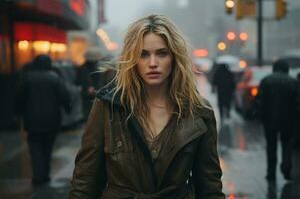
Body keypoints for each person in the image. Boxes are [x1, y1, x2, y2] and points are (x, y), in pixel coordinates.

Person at [69, 14, 225, 198]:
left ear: (174, 57)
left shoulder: (199, 112)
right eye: (143, 54)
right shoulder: (108, 107)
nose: (153, 63)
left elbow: (210, 188)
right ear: (133, 59)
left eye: (161, 53)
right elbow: (85, 181)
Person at [16, 55, 71, 185]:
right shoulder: (55, 78)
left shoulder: (27, 78)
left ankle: (37, 175)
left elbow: (19, 98)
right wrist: (68, 108)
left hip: (32, 120)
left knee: (35, 148)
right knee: (48, 147)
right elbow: (65, 96)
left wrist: (17, 113)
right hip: (52, 120)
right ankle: (45, 173)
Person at [256, 59, 298, 184]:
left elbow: (259, 101)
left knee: (271, 146)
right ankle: (286, 168)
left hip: (269, 120)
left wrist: (260, 116)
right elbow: (297, 103)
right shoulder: (293, 82)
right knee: (287, 144)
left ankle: (271, 173)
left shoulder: (266, 81)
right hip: (288, 120)